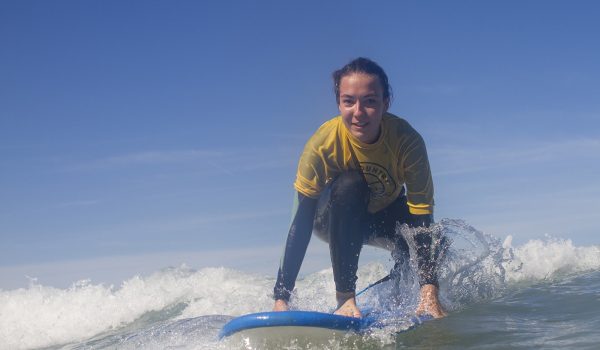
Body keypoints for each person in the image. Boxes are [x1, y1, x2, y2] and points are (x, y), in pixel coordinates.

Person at [272, 57, 446, 319]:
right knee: (351, 183)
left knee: (435, 240)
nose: (358, 112)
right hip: (330, 218)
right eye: (348, 101)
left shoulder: (406, 141)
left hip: (378, 217)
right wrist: (281, 298)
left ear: (386, 103)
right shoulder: (323, 143)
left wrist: (429, 291)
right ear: (339, 103)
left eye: (370, 101)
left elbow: (422, 216)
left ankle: (406, 294)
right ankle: (345, 299)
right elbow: (302, 219)